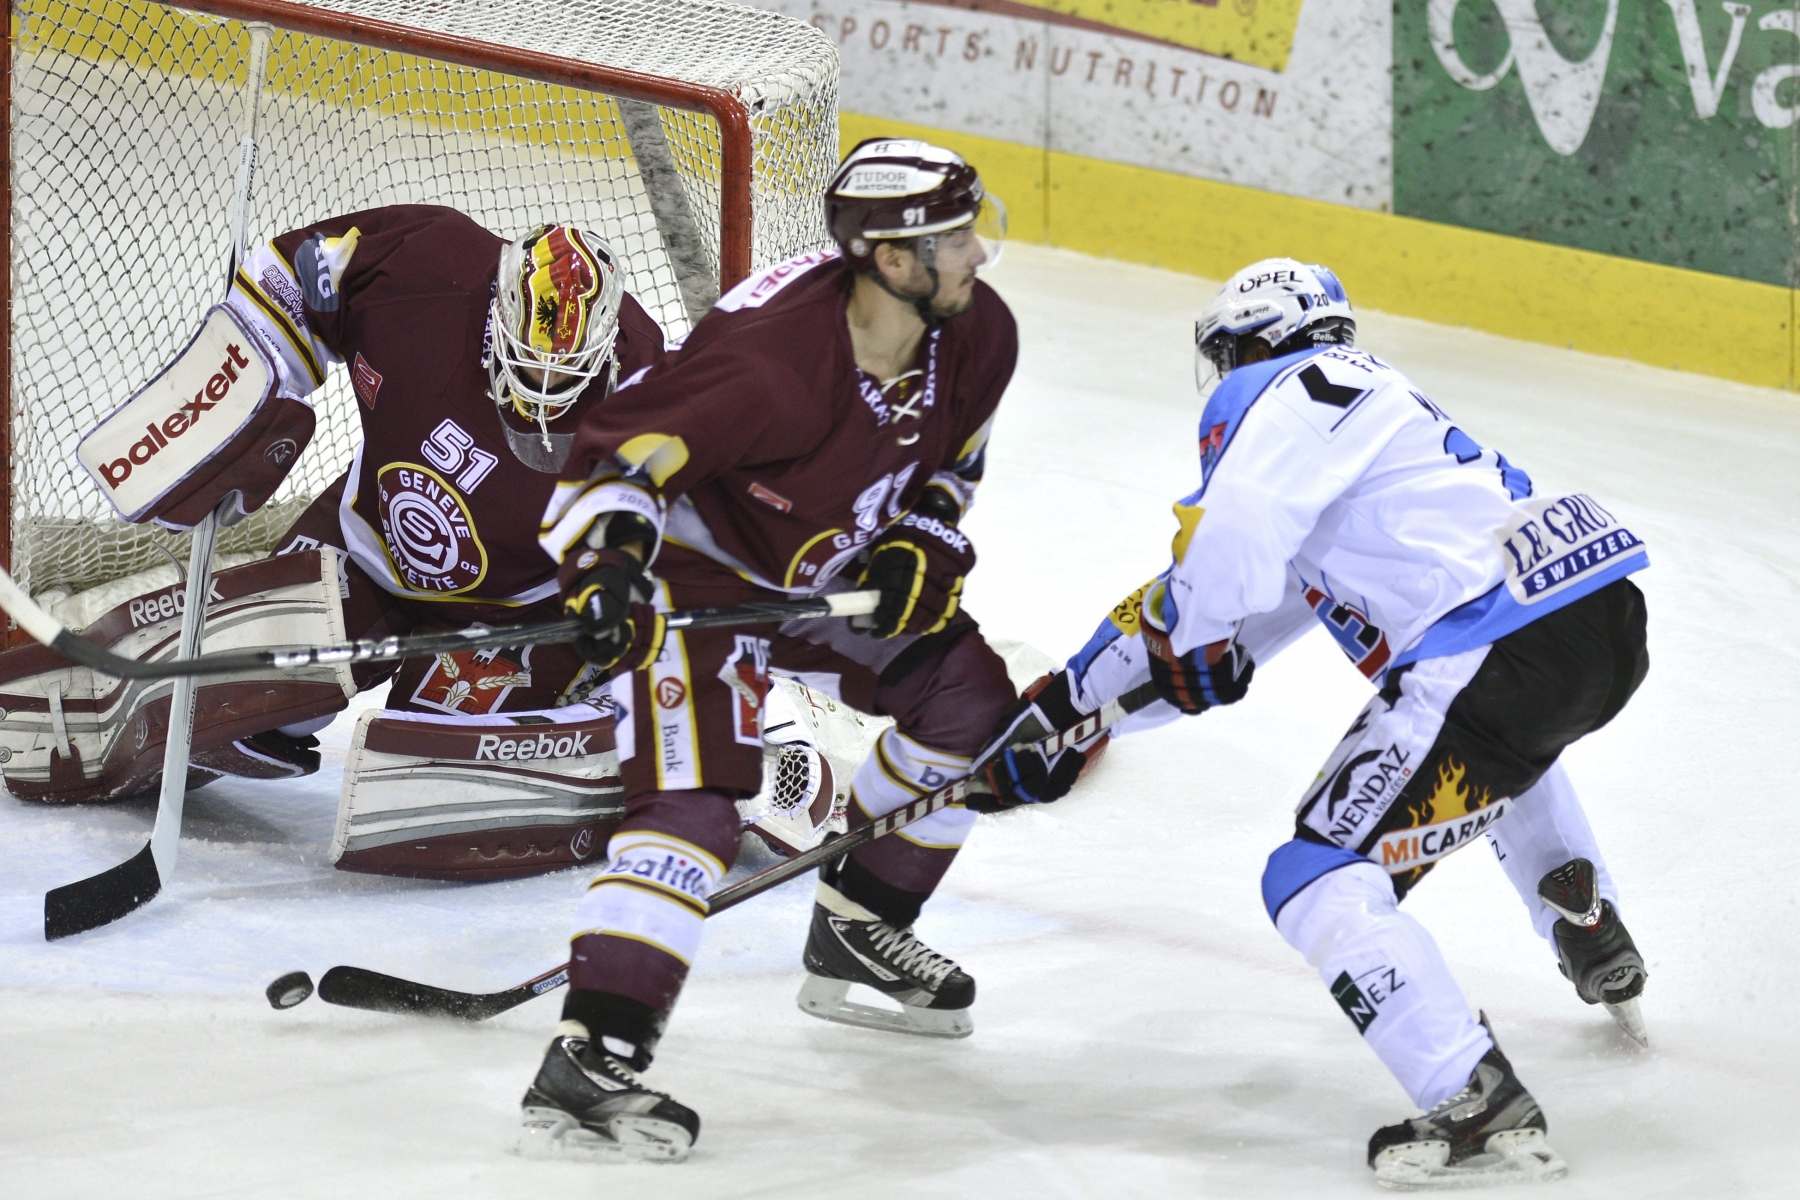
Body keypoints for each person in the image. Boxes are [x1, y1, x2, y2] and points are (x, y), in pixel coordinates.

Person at [978, 259, 1651, 1188]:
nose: (1223, 380)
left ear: (1256, 340)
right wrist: (1073, 715)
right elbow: (1236, 630)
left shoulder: (1277, 391)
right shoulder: (1377, 422)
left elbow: (1219, 570)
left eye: (1228, 357)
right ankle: (1584, 915)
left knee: (1319, 875)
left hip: (1500, 649)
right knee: (1483, 749)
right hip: (1596, 621)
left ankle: (1475, 1099)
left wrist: (1083, 703)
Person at [518, 138, 1019, 1162]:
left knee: (971, 707)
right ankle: (592, 1053)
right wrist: (608, 572)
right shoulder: (768, 364)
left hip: (823, 570)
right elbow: (614, 462)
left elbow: (954, 465)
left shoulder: (978, 332)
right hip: (697, 580)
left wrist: (926, 534)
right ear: (889, 260)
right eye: (955, 239)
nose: (979, 255)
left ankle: (858, 928)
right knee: (698, 801)